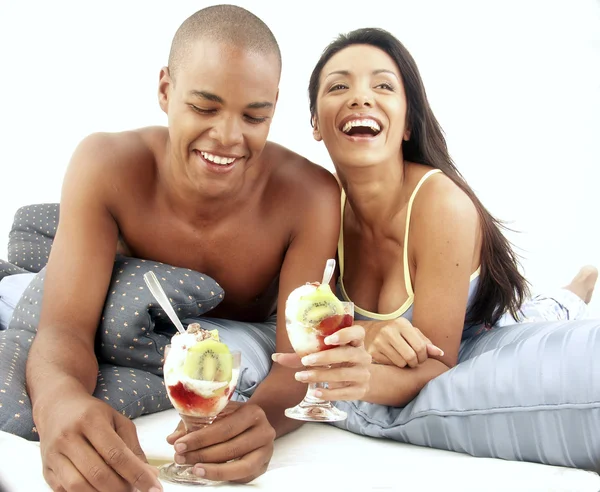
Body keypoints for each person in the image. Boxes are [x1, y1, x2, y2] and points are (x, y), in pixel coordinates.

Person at [0, 6, 372, 492]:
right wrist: (58, 402)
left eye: (255, 116)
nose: (227, 137)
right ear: (164, 90)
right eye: (204, 107)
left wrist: (259, 418)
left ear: (274, 107)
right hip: (91, 235)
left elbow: (295, 357)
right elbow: (65, 328)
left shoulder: (311, 197)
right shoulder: (106, 165)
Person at [276, 27, 600, 471]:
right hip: (427, 335)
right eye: (338, 86)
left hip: (478, 326)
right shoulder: (318, 206)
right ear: (314, 122)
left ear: (408, 122)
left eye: (383, 85)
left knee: (537, 314)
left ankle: (573, 293)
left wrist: (363, 378)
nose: (360, 97)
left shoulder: (441, 205)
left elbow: (437, 365)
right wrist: (369, 335)